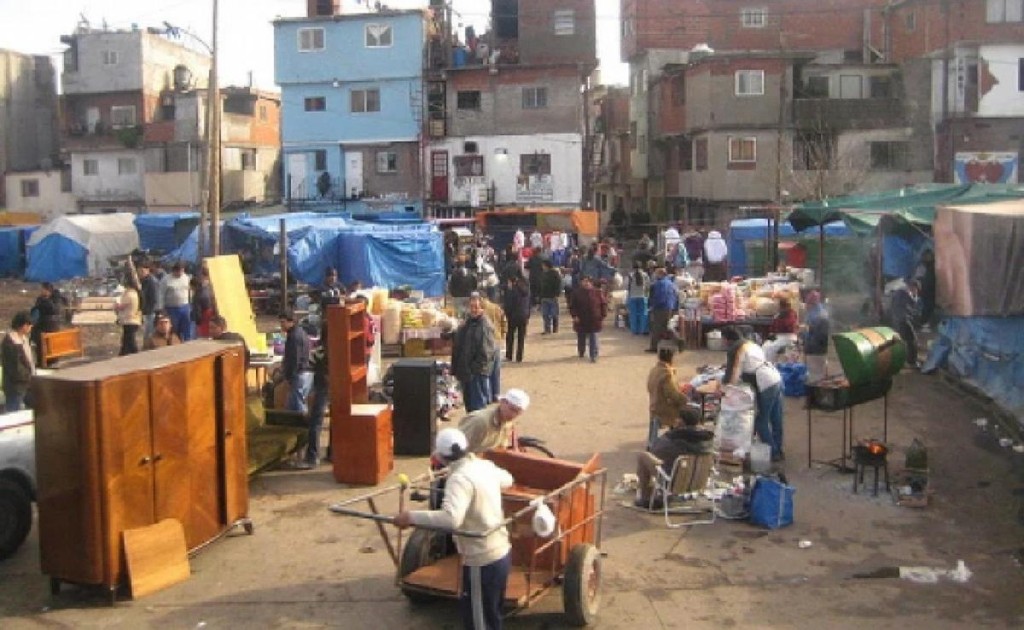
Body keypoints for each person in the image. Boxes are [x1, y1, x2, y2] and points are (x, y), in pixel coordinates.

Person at [394, 428, 514, 630]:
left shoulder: (458, 479)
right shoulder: (484, 466)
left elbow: (451, 519)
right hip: (501, 552)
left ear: (440, 457)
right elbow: (508, 480)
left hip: (481, 559)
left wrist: (411, 517)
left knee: (479, 623)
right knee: (491, 616)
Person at [722, 326, 785, 461]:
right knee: (775, 418)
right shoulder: (751, 344)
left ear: (726, 340)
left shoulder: (735, 349)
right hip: (776, 377)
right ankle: (778, 448)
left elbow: (731, 375)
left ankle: (773, 453)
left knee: (760, 421)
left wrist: (724, 390)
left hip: (766, 383)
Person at [634, 408, 714, 509]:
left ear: (681, 421)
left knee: (643, 456)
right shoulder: (708, 441)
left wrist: (673, 430)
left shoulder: (674, 439)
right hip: (699, 482)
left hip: (674, 482)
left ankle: (646, 498)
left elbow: (654, 450)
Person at [646, 344, 702, 448]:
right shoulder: (666, 374)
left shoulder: (654, 370)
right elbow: (673, 395)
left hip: (654, 404)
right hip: (664, 409)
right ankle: (687, 440)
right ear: (672, 357)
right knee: (692, 412)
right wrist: (686, 399)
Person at [451, 294, 497, 412]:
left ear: (482, 307)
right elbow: (461, 340)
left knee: (478, 409)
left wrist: (474, 370)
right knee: (470, 408)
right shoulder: (468, 322)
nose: (474, 309)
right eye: (472, 306)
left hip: (476, 373)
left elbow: (486, 352)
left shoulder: (484, 325)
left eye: (476, 306)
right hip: (466, 372)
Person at [458, 388, 530, 454]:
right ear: (502, 402)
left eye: (517, 412)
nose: (513, 415)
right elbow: (458, 446)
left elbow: (501, 447)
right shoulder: (479, 421)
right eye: (512, 409)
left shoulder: (508, 423)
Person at [278, 310, 313, 415]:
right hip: (304, 372)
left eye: (283, 322)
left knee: (299, 405)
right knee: (292, 405)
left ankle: (305, 427)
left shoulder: (294, 336)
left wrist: (289, 376)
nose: (281, 325)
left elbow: (295, 358)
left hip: (299, 373)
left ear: (291, 322)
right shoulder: (299, 333)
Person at [568, 276, 607, 363]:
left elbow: (603, 304)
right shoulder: (576, 293)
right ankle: (581, 351)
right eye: (584, 281)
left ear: (591, 283)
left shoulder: (598, 292)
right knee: (581, 336)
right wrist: (574, 316)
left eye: (588, 281)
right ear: (581, 282)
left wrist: (603, 316)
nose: (586, 283)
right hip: (581, 319)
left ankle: (593, 356)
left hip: (594, 318)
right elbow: (572, 307)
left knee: (594, 337)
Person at [1, 311, 35, 412]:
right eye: (29, 325)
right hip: (16, 386)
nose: (30, 327)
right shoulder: (11, 344)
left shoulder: (24, 339)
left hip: (27, 384)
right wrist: (29, 377)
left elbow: (29, 360)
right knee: (14, 413)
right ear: (23, 325)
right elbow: (16, 368)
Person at [30, 282, 64, 366]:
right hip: (44, 326)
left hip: (48, 327)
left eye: (43, 289)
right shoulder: (41, 299)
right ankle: (43, 362)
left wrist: (44, 301)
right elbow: (36, 310)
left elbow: (54, 310)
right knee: (40, 342)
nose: (41, 291)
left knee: (44, 342)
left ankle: (45, 362)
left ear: (48, 290)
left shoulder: (54, 299)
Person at [889, 279, 921, 368]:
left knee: (899, 340)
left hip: (897, 319)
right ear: (912, 287)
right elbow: (910, 308)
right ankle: (911, 361)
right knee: (912, 340)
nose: (916, 292)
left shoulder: (899, 292)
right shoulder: (905, 295)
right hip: (903, 320)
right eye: (916, 289)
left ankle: (897, 359)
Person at [646, 268, 678, 352]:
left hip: (660, 308)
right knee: (666, 327)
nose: (655, 276)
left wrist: (653, 306)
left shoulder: (659, 284)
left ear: (660, 274)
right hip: (669, 307)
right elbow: (675, 295)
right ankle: (679, 341)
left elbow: (659, 297)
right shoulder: (671, 283)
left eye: (656, 274)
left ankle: (654, 347)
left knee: (656, 328)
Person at [802, 291, 830, 383]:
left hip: (814, 349)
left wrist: (803, 331)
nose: (806, 305)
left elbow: (811, 330)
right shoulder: (821, 311)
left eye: (807, 303)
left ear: (811, 303)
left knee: (815, 377)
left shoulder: (815, 315)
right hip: (822, 349)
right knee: (820, 373)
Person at [502, 275, 530, 363]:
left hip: (513, 316)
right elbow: (529, 304)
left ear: (512, 282)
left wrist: (506, 314)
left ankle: (509, 355)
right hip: (523, 316)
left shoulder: (512, 291)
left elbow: (509, 305)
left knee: (510, 336)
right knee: (521, 337)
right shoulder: (527, 291)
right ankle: (519, 357)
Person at [762, 297, 800, 363]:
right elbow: (773, 328)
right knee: (765, 346)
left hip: (789, 337)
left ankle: (770, 364)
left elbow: (790, 327)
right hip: (779, 337)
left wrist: (781, 317)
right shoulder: (778, 315)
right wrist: (772, 333)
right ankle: (769, 364)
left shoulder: (792, 314)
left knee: (770, 348)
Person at [163, 262, 193, 342]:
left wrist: (190, 304)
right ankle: (175, 342)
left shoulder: (186, 278)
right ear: (174, 271)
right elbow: (161, 294)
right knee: (174, 329)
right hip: (172, 308)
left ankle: (187, 342)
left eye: (182, 271)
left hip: (185, 307)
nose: (180, 273)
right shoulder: (166, 279)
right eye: (179, 271)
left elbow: (190, 291)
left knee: (187, 327)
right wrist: (161, 308)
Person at [116, 274, 142, 356]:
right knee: (126, 339)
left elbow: (121, 306)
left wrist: (116, 304)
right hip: (134, 319)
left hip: (129, 320)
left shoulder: (129, 294)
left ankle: (135, 354)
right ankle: (123, 353)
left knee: (130, 339)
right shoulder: (135, 293)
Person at [538, 259, 562, 335]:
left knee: (554, 314)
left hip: (552, 296)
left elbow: (558, 284)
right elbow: (541, 286)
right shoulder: (543, 274)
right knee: (545, 314)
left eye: (543, 265)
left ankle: (555, 328)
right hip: (544, 296)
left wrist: (557, 294)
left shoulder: (555, 273)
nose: (542, 267)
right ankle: (547, 329)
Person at [626, 261, 651, 336]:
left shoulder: (630, 275)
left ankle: (634, 330)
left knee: (633, 314)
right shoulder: (645, 275)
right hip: (643, 297)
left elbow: (626, 286)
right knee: (643, 314)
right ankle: (643, 330)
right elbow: (648, 286)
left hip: (632, 297)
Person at [915, 249, 937, 330]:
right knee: (927, 306)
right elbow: (919, 280)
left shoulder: (932, 266)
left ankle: (924, 322)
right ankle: (923, 322)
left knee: (929, 306)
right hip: (926, 290)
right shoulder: (922, 267)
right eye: (927, 256)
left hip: (931, 289)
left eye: (930, 256)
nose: (929, 258)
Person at [191, 269, 215, 338]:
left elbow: (197, 309)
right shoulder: (208, 288)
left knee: (202, 335)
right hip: (209, 313)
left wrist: (198, 321)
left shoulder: (197, 295)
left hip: (203, 315)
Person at [139, 263, 160, 339]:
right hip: (146, 311)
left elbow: (154, 298)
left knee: (149, 333)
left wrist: (148, 310)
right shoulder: (144, 281)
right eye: (139, 271)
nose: (140, 273)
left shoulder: (152, 281)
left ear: (148, 270)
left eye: (142, 271)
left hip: (150, 311)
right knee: (146, 333)